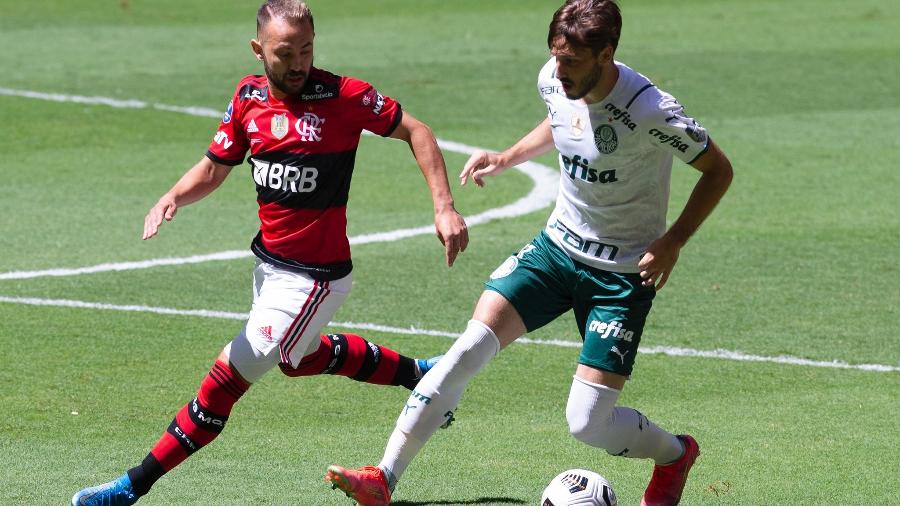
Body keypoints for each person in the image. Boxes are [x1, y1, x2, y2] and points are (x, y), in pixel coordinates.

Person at [326, 1, 733, 505]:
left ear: (606, 54)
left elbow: (719, 170)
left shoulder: (650, 110)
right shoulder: (554, 78)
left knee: (587, 423)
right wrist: (507, 156)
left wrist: (672, 242)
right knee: (464, 352)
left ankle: (674, 455)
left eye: (572, 62)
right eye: (556, 58)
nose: (558, 72)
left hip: (621, 274)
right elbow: (564, 121)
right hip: (556, 251)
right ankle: (383, 477)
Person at [71, 1, 469, 505]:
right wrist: (173, 195)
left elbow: (418, 131)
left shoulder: (343, 96)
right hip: (269, 268)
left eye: (307, 48)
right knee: (295, 359)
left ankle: (131, 486)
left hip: (315, 278)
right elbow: (215, 167)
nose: (299, 61)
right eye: (286, 52)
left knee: (225, 381)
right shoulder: (248, 97)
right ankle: (422, 373)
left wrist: (443, 207)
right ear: (259, 50)